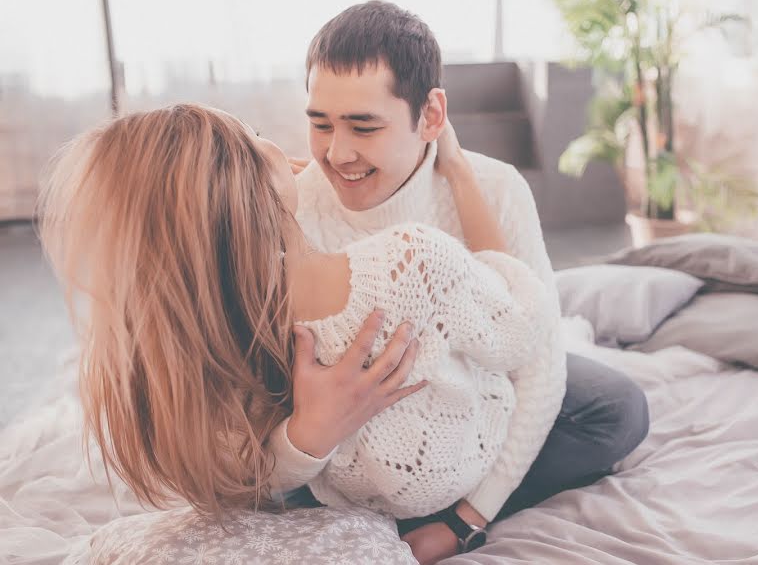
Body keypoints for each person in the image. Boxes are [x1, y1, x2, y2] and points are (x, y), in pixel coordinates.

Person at [37, 104, 557, 536]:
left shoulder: (208, 327)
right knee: (611, 408)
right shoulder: (413, 256)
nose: (286, 147)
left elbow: (242, 476)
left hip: (354, 488)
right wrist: (464, 188)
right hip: (465, 453)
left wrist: (309, 435)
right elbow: (524, 330)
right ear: (251, 187)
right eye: (256, 136)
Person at [276, 1, 650, 563]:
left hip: (476, 397)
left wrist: (464, 520)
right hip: (344, 439)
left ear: (430, 117)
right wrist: (310, 436)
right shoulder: (293, 202)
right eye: (320, 123)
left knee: (615, 408)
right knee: (263, 473)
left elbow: (537, 365)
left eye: (364, 126)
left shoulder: (494, 189)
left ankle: (444, 499)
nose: (337, 153)